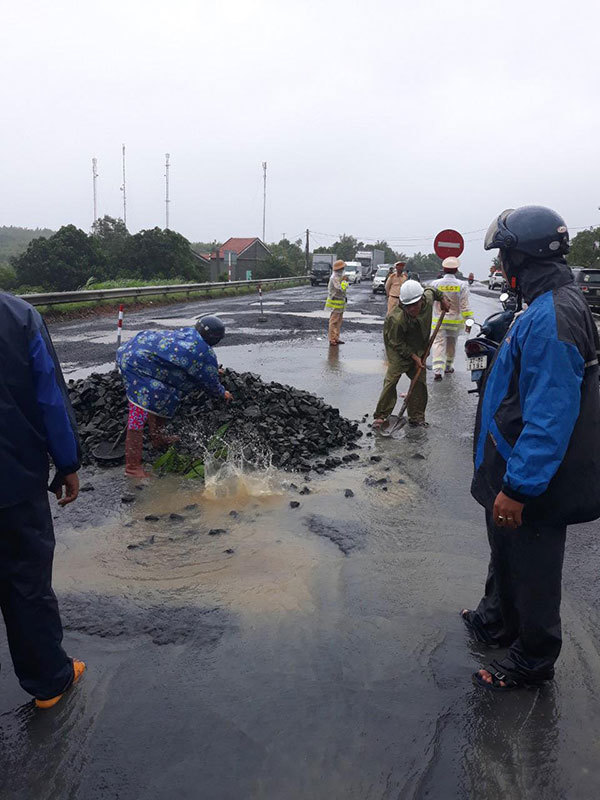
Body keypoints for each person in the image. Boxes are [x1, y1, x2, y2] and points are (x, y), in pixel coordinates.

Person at [462, 205, 600, 691]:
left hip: (533, 479)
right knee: (504, 550)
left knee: (533, 566)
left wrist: (518, 489)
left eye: (504, 255)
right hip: (509, 461)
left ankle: (534, 658)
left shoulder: (554, 316)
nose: (500, 265)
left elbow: (549, 416)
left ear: (525, 256)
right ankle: (496, 619)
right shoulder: (543, 305)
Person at [0, 292, 85, 709]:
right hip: (11, 481)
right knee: (25, 583)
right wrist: (67, 462)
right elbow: (50, 398)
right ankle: (51, 683)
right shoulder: (18, 316)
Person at [116, 315, 233, 478]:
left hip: (138, 349)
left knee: (167, 394)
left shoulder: (190, 334)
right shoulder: (202, 353)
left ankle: (157, 438)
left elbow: (183, 359)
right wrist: (223, 393)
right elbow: (211, 383)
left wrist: (211, 369)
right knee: (139, 411)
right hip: (136, 364)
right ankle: (132, 467)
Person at [372, 280, 450, 428]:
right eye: (408, 306)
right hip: (398, 348)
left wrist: (443, 299)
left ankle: (416, 416)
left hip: (420, 346)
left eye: (415, 304)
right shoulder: (396, 319)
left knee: (419, 382)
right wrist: (414, 357)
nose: (412, 309)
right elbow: (396, 342)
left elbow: (432, 290)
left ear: (421, 300)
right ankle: (381, 415)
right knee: (391, 380)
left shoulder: (427, 298)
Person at [430, 256, 473, 380]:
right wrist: (469, 322)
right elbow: (465, 307)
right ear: (456, 270)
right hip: (455, 322)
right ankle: (448, 367)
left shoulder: (435, 284)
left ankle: (438, 371)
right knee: (451, 345)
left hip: (439, 321)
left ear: (443, 269)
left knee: (438, 344)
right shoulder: (462, 285)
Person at [325, 260, 348, 346]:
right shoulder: (334, 277)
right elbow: (341, 288)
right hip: (335, 302)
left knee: (339, 321)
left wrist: (344, 280)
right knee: (333, 321)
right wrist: (345, 281)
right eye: (342, 268)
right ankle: (332, 339)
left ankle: (336, 337)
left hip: (340, 302)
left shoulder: (339, 276)